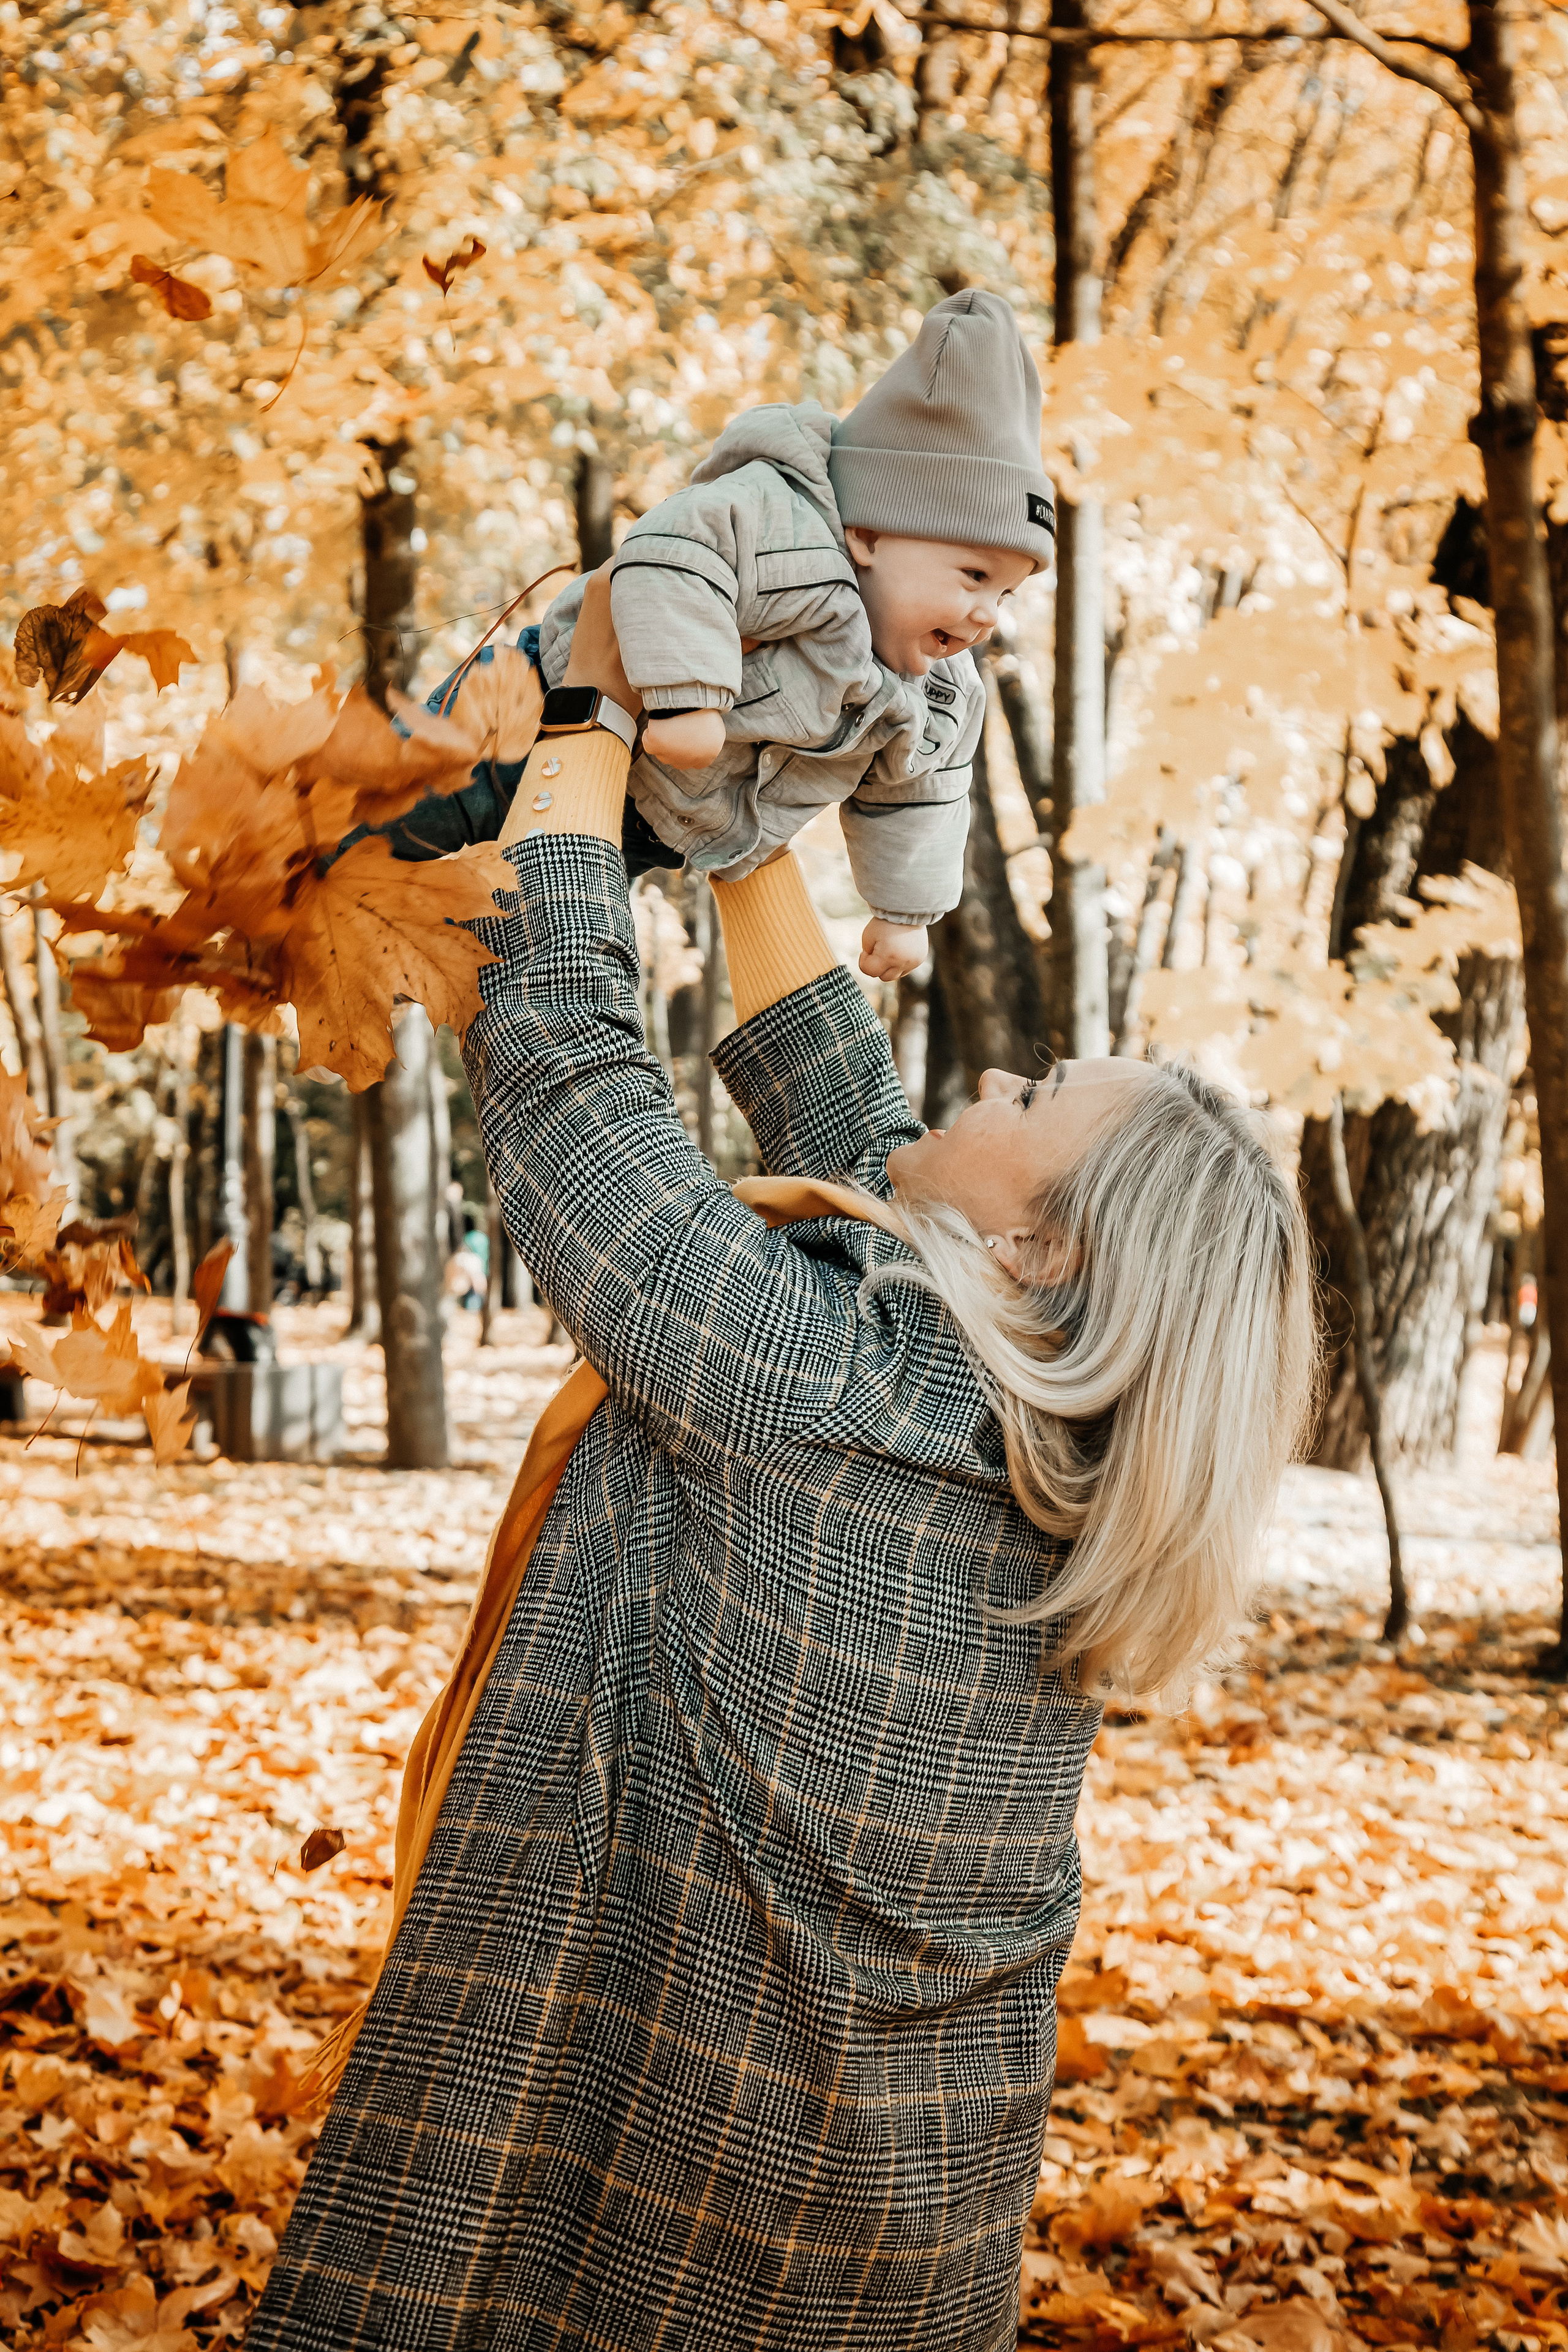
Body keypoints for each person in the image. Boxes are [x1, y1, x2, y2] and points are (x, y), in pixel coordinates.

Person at [247, 576, 1316, 2352]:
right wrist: (750, 825)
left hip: (652, 2232)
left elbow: (572, 1088)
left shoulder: (839, 1398)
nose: (981, 1078)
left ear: (1051, 1256)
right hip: (874, 2260)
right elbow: (857, 1123)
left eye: (1034, 1090)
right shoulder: (1017, 1444)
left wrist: (587, 724)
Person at [537, 287, 1053, 983]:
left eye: (1006, 593)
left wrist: (904, 914)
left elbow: (923, 793)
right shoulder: (784, 535)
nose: (989, 614)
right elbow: (670, 554)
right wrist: (687, 696)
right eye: (972, 574)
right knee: (417, 814)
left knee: (542, 936)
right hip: (546, 713)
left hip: (661, 826)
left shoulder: (938, 699)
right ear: (869, 533)